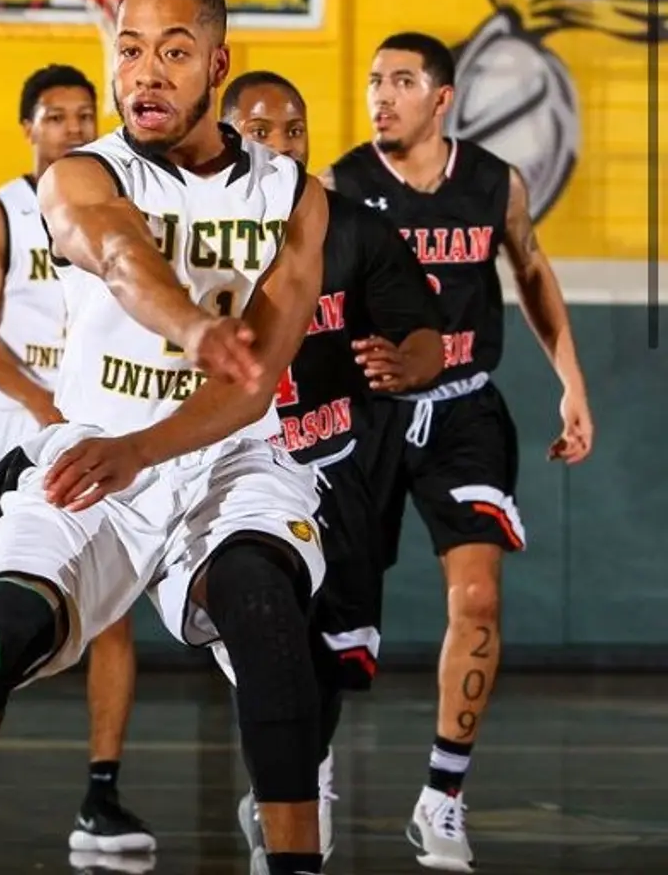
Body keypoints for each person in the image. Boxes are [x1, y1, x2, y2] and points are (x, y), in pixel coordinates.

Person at [0, 0, 331, 875]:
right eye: (130, 50)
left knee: (268, 618)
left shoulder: (294, 198)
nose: (145, 72)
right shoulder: (77, 177)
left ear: (217, 65)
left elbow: (253, 382)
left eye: (173, 51)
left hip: (227, 457)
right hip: (91, 448)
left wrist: (147, 444)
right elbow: (116, 253)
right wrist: (191, 324)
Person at [324, 31, 594, 872]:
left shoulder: (492, 183)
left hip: (465, 411)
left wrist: (571, 382)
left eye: (400, 82)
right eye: (373, 81)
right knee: (331, 617)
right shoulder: (340, 186)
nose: (381, 96)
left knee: (477, 600)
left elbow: (534, 270)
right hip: (365, 416)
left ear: (442, 99)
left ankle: (442, 796)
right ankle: (306, 780)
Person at [0, 63, 155, 851]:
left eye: (85, 115)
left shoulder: (121, 206)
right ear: (27, 128)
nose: (73, 128)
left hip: (97, 432)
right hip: (14, 434)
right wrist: (46, 406)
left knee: (109, 620)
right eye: (55, 115)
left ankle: (100, 798)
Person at [220, 70, 444, 869]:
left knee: (332, 660)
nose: (280, 145)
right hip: (241, 470)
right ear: (224, 137)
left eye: (294, 130)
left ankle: (301, 769)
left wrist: (408, 365)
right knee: (272, 639)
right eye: (259, 130)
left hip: (341, 467)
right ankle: (290, 797)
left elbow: (424, 330)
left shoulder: (353, 228)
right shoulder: (198, 227)